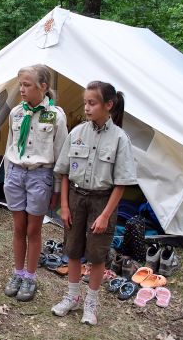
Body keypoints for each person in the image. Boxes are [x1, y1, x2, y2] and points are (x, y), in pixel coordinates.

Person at [51, 81, 137, 325]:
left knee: (97, 255)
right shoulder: (76, 132)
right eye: (85, 102)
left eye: (92, 103)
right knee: (73, 250)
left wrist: (106, 215)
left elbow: (121, 183)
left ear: (108, 105)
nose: (86, 107)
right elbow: (65, 172)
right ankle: (72, 297)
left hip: (103, 201)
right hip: (76, 199)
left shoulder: (120, 139)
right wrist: (65, 206)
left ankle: (91, 302)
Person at [2, 65, 68, 302]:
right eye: (20, 84)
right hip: (16, 174)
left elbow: (61, 155)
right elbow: (11, 144)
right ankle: (18, 272)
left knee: (33, 229)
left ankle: (30, 276)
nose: (21, 89)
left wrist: (58, 188)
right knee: (19, 227)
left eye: (27, 85)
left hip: (40, 175)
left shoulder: (55, 115)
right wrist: (9, 176)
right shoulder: (16, 113)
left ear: (43, 87)